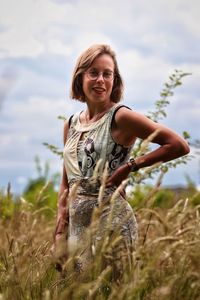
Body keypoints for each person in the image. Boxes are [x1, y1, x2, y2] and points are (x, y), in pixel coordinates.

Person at [53, 44, 190, 280]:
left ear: (115, 80)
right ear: (80, 77)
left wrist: (130, 166)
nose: (100, 80)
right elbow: (66, 181)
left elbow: (178, 145)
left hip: (112, 223)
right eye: (93, 72)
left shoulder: (121, 116)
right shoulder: (72, 123)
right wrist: (59, 232)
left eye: (108, 74)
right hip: (78, 226)